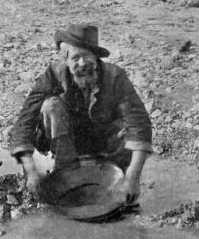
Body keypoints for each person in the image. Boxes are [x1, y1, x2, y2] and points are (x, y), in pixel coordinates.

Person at [10, 24, 152, 204]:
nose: (82, 63)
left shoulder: (115, 76)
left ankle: (116, 170)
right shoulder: (53, 74)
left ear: (96, 57)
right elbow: (25, 120)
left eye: (87, 56)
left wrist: (133, 175)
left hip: (105, 142)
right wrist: (31, 171)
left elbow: (139, 123)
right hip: (68, 142)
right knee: (51, 106)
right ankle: (66, 169)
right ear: (66, 59)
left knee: (119, 189)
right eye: (76, 57)